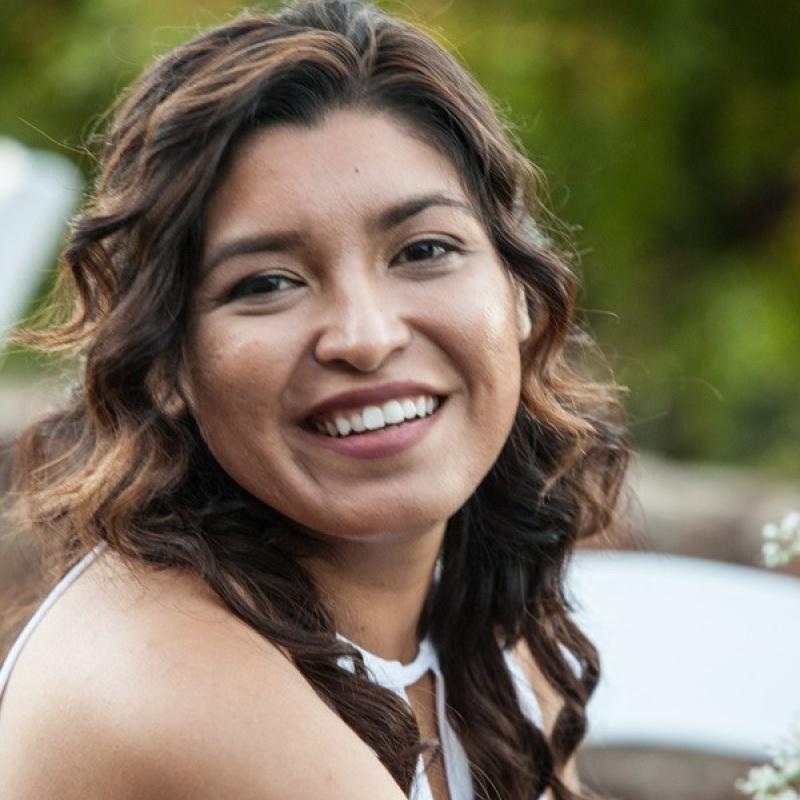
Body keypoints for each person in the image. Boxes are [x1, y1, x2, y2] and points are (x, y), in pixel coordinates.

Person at [0, 1, 628, 798]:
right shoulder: (174, 682)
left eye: (424, 250)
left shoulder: (483, 635)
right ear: (166, 363)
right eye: (266, 284)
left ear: (519, 293)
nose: (364, 337)